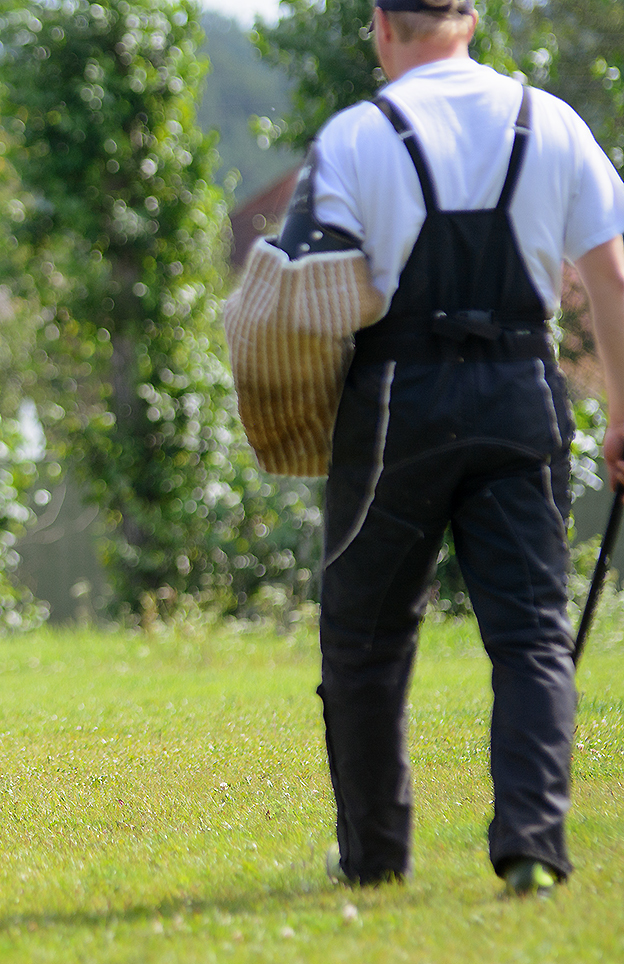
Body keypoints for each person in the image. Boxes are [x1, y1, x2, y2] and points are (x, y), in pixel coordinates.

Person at [303, 0, 624, 893]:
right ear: (471, 18)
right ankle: (530, 843)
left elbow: (304, 297)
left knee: (363, 643)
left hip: (393, 402)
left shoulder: (358, 136)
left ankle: (373, 856)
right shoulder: (549, 121)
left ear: (381, 25)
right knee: (531, 637)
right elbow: (613, 274)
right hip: (522, 391)